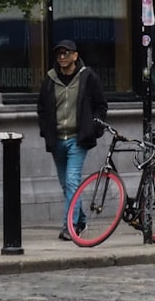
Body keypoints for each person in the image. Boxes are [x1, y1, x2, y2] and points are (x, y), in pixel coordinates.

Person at [36, 39, 108, 241]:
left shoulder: (88, 77)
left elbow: (101, 106)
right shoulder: (50, 80)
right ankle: (81, 218)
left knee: (72, 180)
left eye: (66, 53)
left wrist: (93, 127)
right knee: (67, 185)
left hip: (78, 138)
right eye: (59, 54)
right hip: (57, 139)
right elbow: (42, 108)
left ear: (75, 56)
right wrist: (45, 130)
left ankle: (70, 226)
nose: (62, 57)